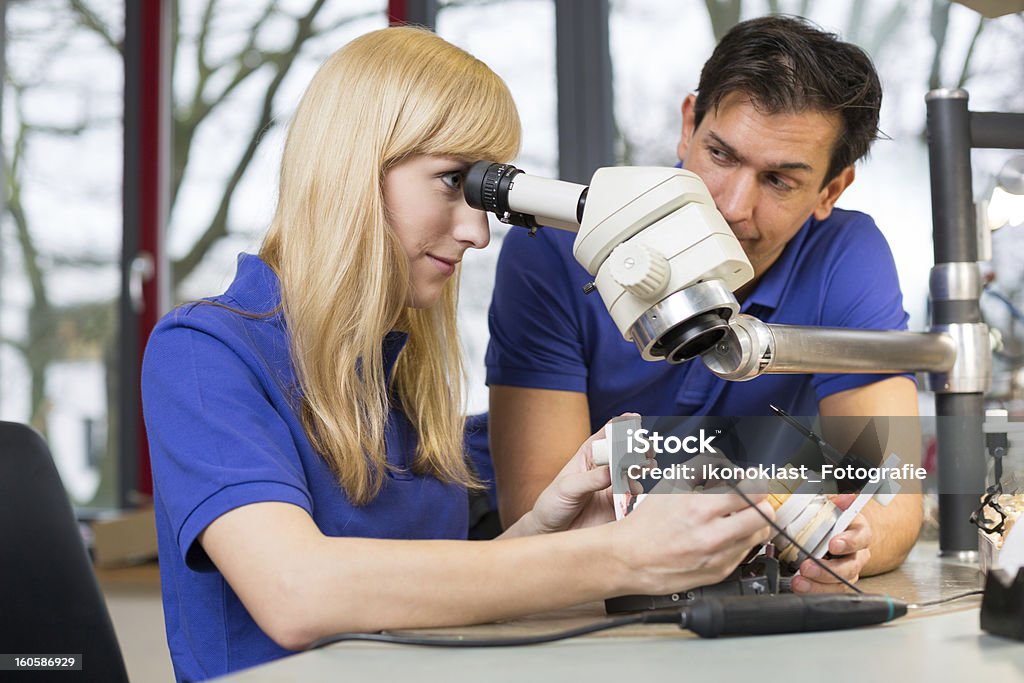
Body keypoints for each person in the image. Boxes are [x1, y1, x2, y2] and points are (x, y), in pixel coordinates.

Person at [142, 27, 774, 683]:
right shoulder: (204, 353)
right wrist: (619, 556)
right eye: (451, 181)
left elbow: (414, 613)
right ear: (352, 169)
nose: (477, 232)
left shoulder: (402, 381)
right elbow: (298, 592)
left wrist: (544, 531)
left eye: (481, 196)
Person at [486, 15, 923, 593]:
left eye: (779, 181)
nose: (734, 207)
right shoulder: (559, 245)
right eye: (721, 155)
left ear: (831, 191)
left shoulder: (845, 256)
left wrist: (838, 539)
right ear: (689, 124)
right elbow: (542, 517)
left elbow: (892, 494)